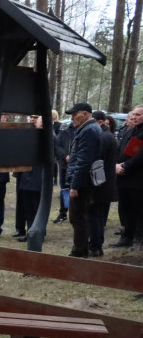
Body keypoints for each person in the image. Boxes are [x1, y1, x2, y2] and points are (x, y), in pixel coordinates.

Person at [65, 102, 102, 258]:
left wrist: (75, 185)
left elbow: (84, 161)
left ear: (85, 114)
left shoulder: (89, 130)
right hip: (82, 179)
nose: (72, 118)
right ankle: (80, 247)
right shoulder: (87, 129)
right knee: (78, 216)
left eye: (75, 114)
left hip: (83, 182)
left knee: (77, 216)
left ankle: (79, 250)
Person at [89, 110, 119, 256]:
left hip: (100, 183)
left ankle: (95, 246)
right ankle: (96, 244)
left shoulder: (103, 137)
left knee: (95, 215)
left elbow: (95, 160)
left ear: (99, 122)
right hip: (105, 182)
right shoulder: (108, 136)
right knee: (99, 215)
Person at [114, 105, 143, 247]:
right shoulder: (129, 131)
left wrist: (126, 166)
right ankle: (127, 237)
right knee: (125, 208)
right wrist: (117, 164)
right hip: (123, 177)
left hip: (137, 179)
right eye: (133, 115)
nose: (134, 117)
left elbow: (140, 155)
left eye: (138, 115)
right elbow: (120, 150)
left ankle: (139, 237)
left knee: (139, 208)